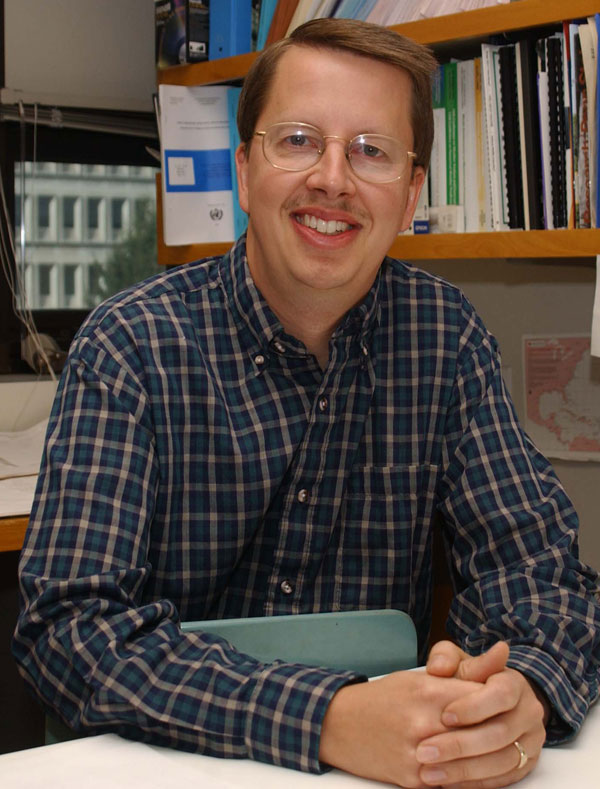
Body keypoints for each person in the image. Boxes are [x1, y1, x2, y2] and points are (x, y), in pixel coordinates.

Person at [13, 17, 600, 789]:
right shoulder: (131, 345)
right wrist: (326, 717)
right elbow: (69, 629)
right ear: (244, 171)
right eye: (297, 140)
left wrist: (519, 687)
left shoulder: (446, 338)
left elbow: (541, 571)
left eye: (372, 151)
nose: (334, 178)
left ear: (411, 191)